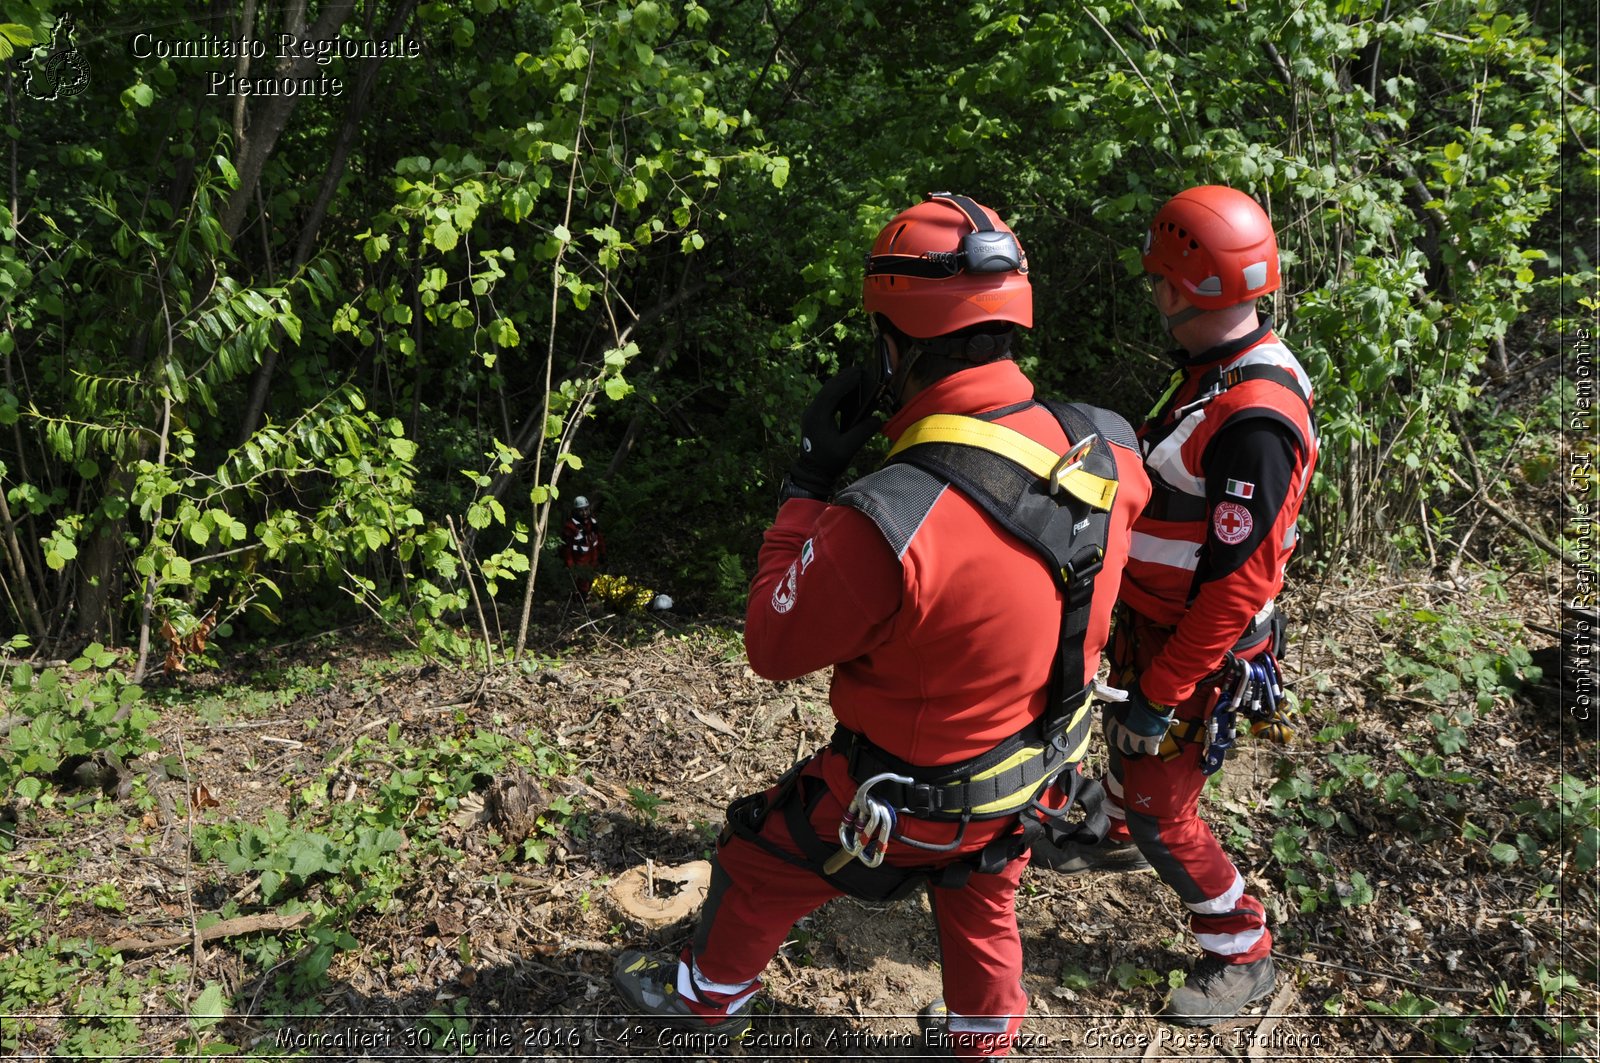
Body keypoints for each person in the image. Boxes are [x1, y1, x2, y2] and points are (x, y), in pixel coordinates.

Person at [613, 193, 1150, 1059]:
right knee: (982, 889)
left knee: (758, 854)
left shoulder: (890, 516)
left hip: (902, 799)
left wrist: (808, 482)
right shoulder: (1111, 448)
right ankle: (983, 1038)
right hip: (1032, 773)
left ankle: (707, 997)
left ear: (893, 345)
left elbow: (770, 644)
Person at [1030, 185, 1319, 1026]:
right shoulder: (1219, 370)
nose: (1152, 291)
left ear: (1179, 289)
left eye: (1158, 278)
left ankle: (1241, 943)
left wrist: (1161, 694)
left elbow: (1239, 581)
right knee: (1127, 761)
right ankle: (1111, 830)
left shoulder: (1255, 416)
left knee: (1165, 803)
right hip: (1155, 620)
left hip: (1198, 645)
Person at [558, 495, 605, 595]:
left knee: (595, 581)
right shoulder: (570, 527)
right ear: (575, 511)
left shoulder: (592, 522)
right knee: (582, 585)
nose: (584, 513)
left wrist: (603, 553)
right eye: (581, 510)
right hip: (580, 562)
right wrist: (570, 565)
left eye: (586, 509)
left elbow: (599, 538)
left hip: (593, 559)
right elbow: (567, 549)